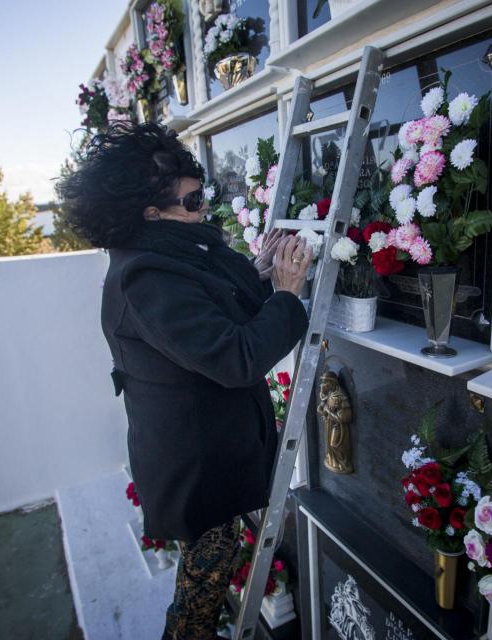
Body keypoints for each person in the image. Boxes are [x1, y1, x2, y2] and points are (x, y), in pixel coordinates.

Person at [56, 121, 312, 639]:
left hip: (208, 452)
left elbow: (212, 302)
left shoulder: (164, 251)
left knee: (207, 582)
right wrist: (286, 294)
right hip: (197, 469)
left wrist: (260, 271)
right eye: (193, 201)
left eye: (203, 195)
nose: (204, 209)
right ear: (151, 213)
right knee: (198, 603)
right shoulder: (145, 277)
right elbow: (236, 356)